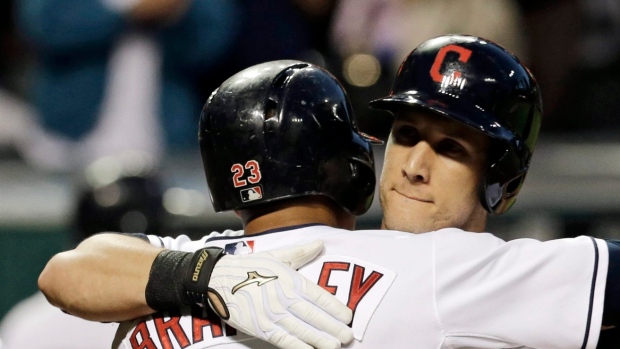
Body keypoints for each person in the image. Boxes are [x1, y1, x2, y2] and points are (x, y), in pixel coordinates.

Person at [39, 51, 619, 349]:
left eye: (447, 148)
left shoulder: (167, 273)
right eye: (406, 136)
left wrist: (205, 277)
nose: (414, 166)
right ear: (355, 167)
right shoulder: (437, 267)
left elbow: (64, 273)